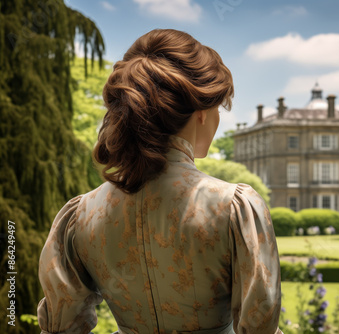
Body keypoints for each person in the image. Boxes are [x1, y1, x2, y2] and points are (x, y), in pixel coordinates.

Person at [37, 29, 283, 334]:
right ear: (202, 112)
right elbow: (261, 325)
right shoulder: (234, 207)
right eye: (219, 107)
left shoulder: (82, 214)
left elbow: (61, 327)